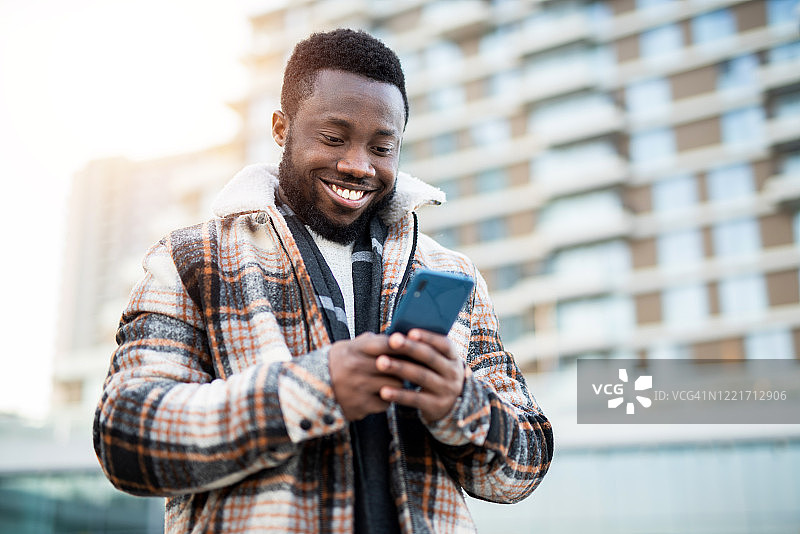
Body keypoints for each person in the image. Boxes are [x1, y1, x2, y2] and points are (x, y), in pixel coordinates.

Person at [93, 28, 552, 534]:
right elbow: (124, 437)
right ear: (280, 127)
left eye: (382, 147)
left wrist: (457, 403)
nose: (358, 166)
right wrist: (315, 390)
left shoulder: (449, 273)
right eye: (333, 138)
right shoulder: (193, 259)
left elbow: (526, 465)